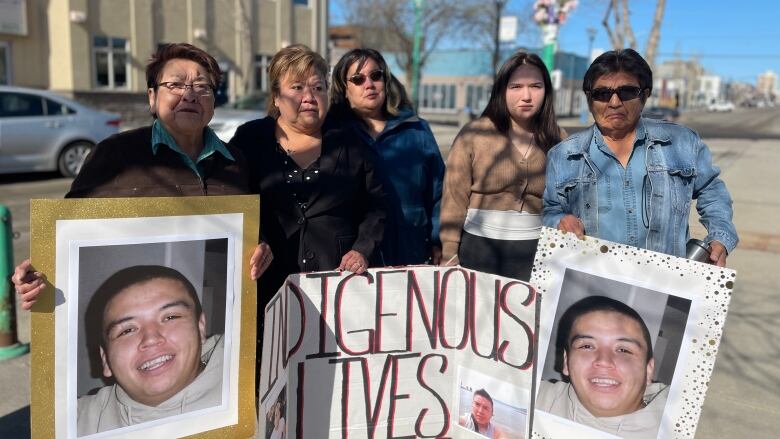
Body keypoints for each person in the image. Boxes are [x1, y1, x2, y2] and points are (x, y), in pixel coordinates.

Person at [12, 42, 271, 309]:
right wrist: (38, 271)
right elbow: (67, 231)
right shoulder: (115, 155)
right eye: (176, 85)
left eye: (202, 86)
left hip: (219, 312)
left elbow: (245, 229)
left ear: (214, 101)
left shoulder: (235, 161)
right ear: (152, 97)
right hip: (140, 309)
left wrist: (258, 244)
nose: (190, 95)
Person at [542, 49, 738, 265]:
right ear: (589, 99)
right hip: (594, 280)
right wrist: (560, 220)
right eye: (602, 93)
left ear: (645, 95)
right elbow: (551, 209)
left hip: (665, 279)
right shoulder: (564, 155)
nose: (614, 102)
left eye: (626, 92)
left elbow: (712, 191)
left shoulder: (681, 142)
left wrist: (720, 237)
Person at [229, 44, 387, 298]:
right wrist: (253, 238)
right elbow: (231, 196)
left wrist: (362, 249)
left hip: (336, 283)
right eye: (297, 87)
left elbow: (378, 205)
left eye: (317, 87)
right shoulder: (250, 139)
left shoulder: (352, 142)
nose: (309, 97)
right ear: (276, 97)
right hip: (267, 283)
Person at [439, 51, 564, 280]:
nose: (526, 96)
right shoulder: (474, 134)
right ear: (501, 91)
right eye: (516, 87)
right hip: (479, 249)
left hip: (537, 253)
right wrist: (449, 252)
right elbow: (453, 197)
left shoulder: (559, 140)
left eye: (536, 86)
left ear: (547, 90)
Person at [330, 48, 445, 266]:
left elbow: (438, 192)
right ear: (344, 89)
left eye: (376, 75)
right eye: (358, 79)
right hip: (354, 258)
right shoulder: (334, 136)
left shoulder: (417, 130)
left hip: (411, 249)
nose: (369, 84)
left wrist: (439, 240)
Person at [77, 265, 224, 434]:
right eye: (127, 330)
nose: (151, 339)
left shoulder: (247, 371)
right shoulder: (76, 422)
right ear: (105, 360)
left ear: (200, 327)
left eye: (170, 317)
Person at [536, 296, 669, 439]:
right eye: (587, 346)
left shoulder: (680, 421)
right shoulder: (533, 397)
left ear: (648, 370)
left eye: (623, 350)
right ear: (566, 361)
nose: (604, 361)